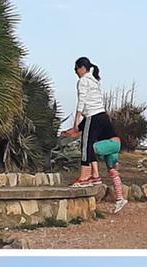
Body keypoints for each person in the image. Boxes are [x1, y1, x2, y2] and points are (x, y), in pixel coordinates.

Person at [62, 57, 129, 214]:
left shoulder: (83, 81)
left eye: (76, 69)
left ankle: (86, 178)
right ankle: (120, 199)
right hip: (112, 137)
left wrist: (77, 118)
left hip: (95, 119)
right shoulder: (95, 81)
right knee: (112, 171)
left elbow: (82, 101)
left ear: (82, 68)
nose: (75, 72)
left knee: (88, 147)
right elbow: (83, 128)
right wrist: (73, 130)